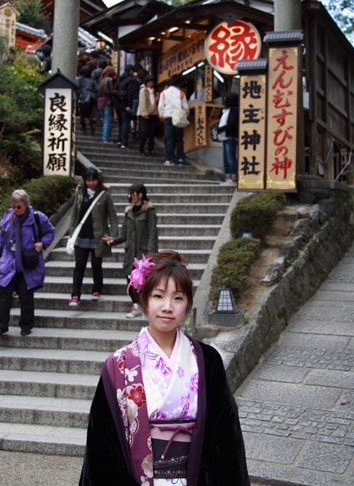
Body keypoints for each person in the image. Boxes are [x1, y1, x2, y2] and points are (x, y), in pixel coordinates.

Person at [79, 250, 250, 485]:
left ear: (188, 303)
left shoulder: (207, 360)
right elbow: (102, 448)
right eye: (158, 296)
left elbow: (226, 440)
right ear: (144, 299)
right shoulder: (118, 365)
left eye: (178, 298)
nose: (168, 307)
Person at [0, 189, 55, 337]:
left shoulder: (37, 217)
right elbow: (0, 237)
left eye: (19, 207)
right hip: (9, 261)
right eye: (13, 206)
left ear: (26, 205)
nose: (15, 209)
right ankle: (1, 326)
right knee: (3, 293)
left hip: (27, 262)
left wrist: (42, 243)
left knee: (25, 295)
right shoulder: (8, 217)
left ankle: (26, 325)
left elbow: (50, 232)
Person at [103, 183, 158, 318]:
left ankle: (145, 306)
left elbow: (152, 234)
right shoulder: (129, 212)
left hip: (143, 254)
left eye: (131, 193)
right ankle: (136, 304)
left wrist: (151, 256)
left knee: (144, 282)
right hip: (130, 254)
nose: (129, 196)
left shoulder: (149, 212)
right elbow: (124, 234)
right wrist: (113, 241)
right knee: (129, 280)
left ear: (140, 195)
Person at [68, 167, 118, 305]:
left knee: (97, 265)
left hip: (98, 237)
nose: (91, 183)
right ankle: (75, 294)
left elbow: (113, 216)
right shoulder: (80, 193)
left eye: (93, 180)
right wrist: (72, 232)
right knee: (79, 266)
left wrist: (113, 236)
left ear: (98, 180)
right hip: (81, 237)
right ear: (84, 180)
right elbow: (74, 213)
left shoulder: (105, 194)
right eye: (88, 180)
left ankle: (97, 289)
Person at [158, 75, 189, 166]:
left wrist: (162, 116)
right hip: (178, 117)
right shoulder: (181, 93)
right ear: (178, 84)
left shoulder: (163, 93)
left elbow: (160, 107)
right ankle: (180, 159)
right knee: (179, 139)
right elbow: (186, 108)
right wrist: (184, 116)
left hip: (168, 117)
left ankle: (169, 159)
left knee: (169, 138)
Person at [217, 92, 239, 183]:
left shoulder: (233, 111)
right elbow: (219, 116)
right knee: (226, 158)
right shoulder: (225, 111)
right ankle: (228, 175)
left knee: (230, 157)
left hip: (230, 136)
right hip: (225, 137)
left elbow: (231, 124)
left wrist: (220, 129)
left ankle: (233, 175)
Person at [112, 67, 135, 149]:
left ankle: (120, 140)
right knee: (125, 123)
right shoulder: (130, 80)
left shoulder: (120, 79)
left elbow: (114, 91)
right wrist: (129, 105)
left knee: (120, 123)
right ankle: (124, 143)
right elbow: (130, 93)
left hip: (118, 104)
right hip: (125, 104)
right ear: (130, 70)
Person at [137, 74, 159, 156]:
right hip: (144, 114)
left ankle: (150, 150)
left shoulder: (154, 91)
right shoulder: (143, 90)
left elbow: (155, 104)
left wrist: (156, 99)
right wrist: (145, 114)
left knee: (152, 133)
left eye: (152, 82)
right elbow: (142, 102)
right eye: (149, 82)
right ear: (146, 82)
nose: (151, 83)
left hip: (153, 114)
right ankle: (141, 148)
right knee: (145, 131)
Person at [77, 66, 98, 135]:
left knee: (81, 113)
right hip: (90, 98)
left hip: (81, 98)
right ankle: (92, 126)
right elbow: (97, 89)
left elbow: (76, 88)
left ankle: (84, 128)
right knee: (91, 113)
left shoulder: (79, 80)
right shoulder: (93, 80)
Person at [98, 65, 116, 144]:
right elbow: (111, 91)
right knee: (107, 120)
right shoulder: (109, 80)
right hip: (107, 101)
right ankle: (106, 138)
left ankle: (105, 137)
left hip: (100, 101)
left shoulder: (102, 80)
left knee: (105, 119)